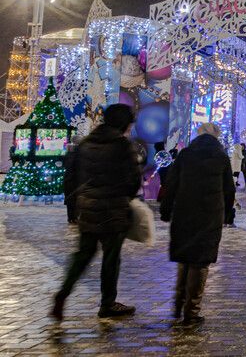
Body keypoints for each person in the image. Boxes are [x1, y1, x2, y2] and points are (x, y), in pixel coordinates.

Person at [51, 104, 142, 321]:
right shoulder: (122, 146)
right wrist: (125, 198)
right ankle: (107, 303)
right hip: (114, 210)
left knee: (83, 254)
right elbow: (133, 181)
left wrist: (74, 206)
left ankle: (63, 293)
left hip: (88, 207)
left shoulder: (86, 144)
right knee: (111, 258)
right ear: (124, 123)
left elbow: (71, 177)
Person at [160, 122, 234, 325]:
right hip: (210, 215)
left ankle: (177, 305)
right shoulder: (220, 157)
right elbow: (229, 189)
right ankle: (191, 311)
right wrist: (227, 215)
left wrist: (166, 210)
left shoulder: (185, 155)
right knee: (200, 261)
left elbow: (171, 184)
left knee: (185, 258)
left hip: (184, 211)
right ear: (216, 137)